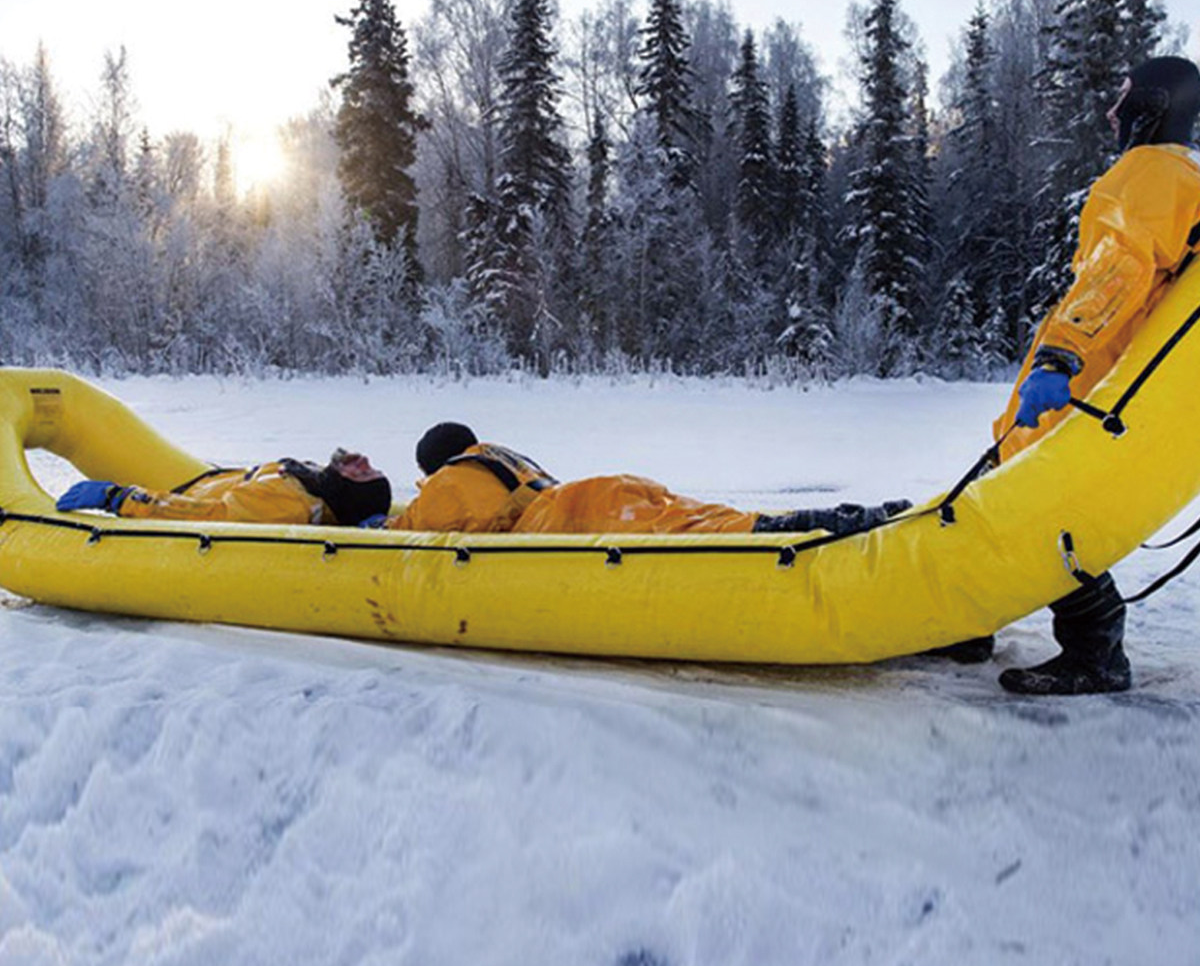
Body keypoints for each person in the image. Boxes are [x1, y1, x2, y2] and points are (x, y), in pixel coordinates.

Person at [994, 54, 1200, 695]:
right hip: (1115, 381)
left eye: (1125, 95)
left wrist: (1061, 355)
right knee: (1014, 501)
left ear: (1155, 104)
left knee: (1040, 511)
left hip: (1090, 382)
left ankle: (1094, 651)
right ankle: (972, 612)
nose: (1113, 111)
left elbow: (1120, 267)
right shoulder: (1183, 177)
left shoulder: (1148, 173)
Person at [384, 421, 909, 539]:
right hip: (602, 490)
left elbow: (410, 532)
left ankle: (826, 525)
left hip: (569, 515)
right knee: (706, 518)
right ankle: (856, 521)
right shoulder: (497, 458)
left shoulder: (450, 481)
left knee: (698, 535)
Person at [55, 448, 392, 528]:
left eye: (363, 474)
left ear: (345, 492)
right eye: (371, 468)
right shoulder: (315, 481)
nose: (363, 461)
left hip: (180, 496)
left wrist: (120, 497)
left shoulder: (289, 504)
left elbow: (203, 516)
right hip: (199, 480)